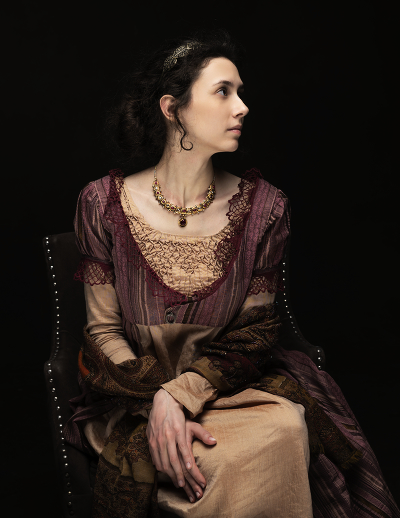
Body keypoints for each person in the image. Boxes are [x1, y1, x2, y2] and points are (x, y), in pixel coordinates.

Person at [65, 28, 400, 518]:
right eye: (223, 91)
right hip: (134, 399)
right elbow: (103, 332)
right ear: (173, 108)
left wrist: (182, 395)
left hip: (229, 394)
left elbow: (253, 334)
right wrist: (159, 402)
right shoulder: (101, 203)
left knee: (286, 427)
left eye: (240, 92)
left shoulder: (265, 209)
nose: (242, 107)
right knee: (222, 460)